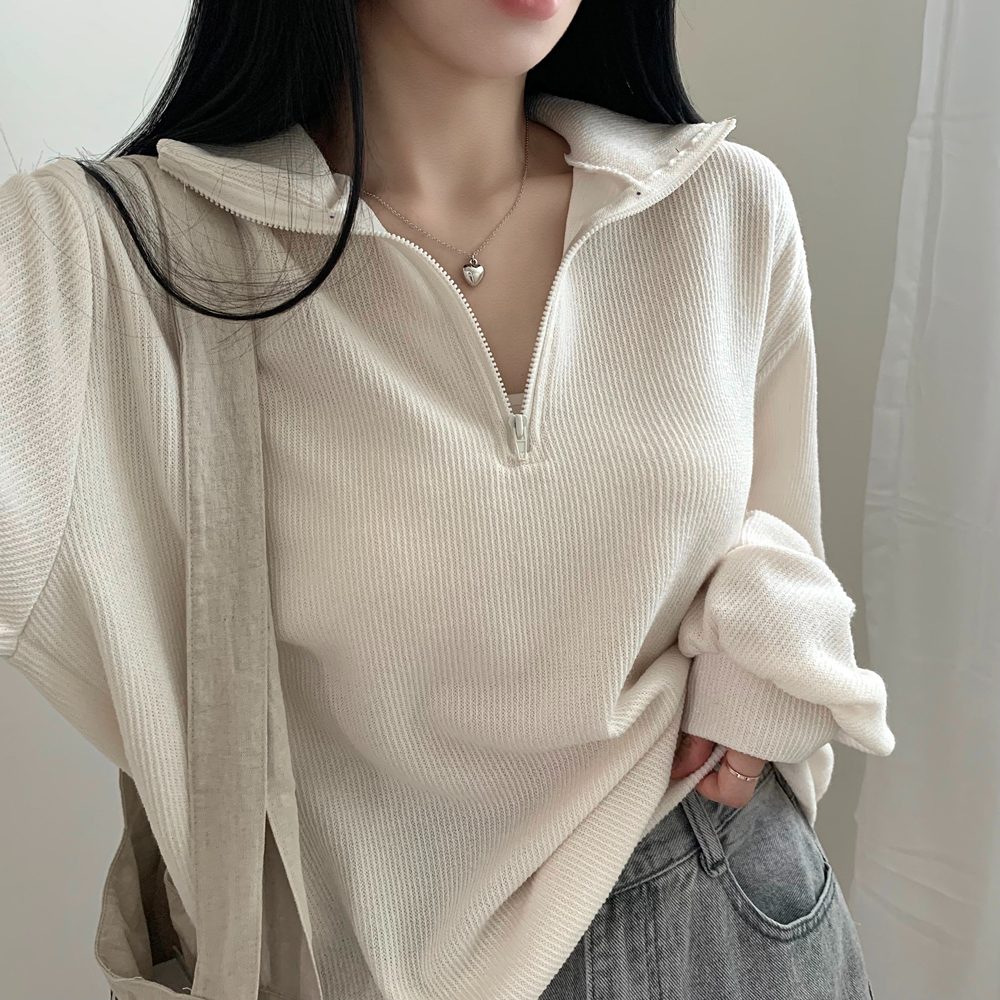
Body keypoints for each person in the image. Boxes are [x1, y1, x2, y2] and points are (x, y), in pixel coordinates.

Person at [0, 0, 895, 997]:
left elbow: (779, 533)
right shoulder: (118, 258)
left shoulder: (724, 204)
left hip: (727, 913)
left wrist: (764, 646)